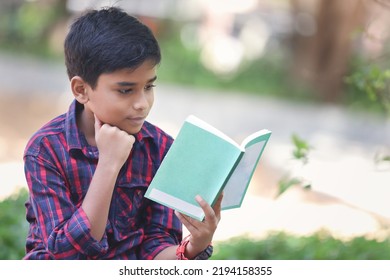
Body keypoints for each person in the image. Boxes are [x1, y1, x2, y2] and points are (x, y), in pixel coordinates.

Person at [23, 6, 222, 260]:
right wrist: (108, 164)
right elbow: (65, 255)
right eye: (126, 90)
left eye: (149, 86)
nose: (142, 103)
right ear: (81, 89)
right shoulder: (46, 149)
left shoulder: (160, 148)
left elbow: (156, 247)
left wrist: (194, 246)